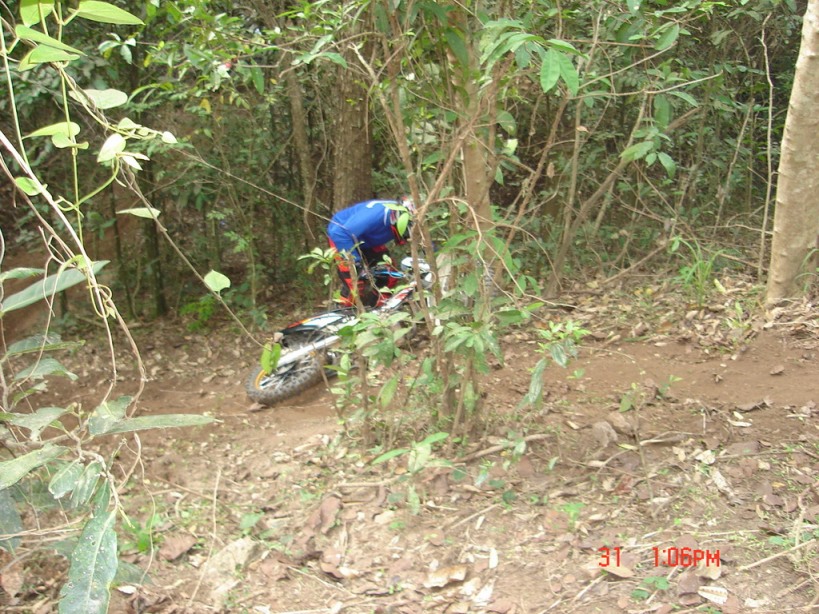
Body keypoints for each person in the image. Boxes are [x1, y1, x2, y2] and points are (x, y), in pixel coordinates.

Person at [327, 197, 415, 307]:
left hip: (367, 240)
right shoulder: (376, 215)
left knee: (389, 274)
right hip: (343, 239)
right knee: (355, 283)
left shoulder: (403, 218)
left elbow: (427, 244)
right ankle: (342, 311)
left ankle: (380, 310)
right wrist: (356, 262)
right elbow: (338, 233)